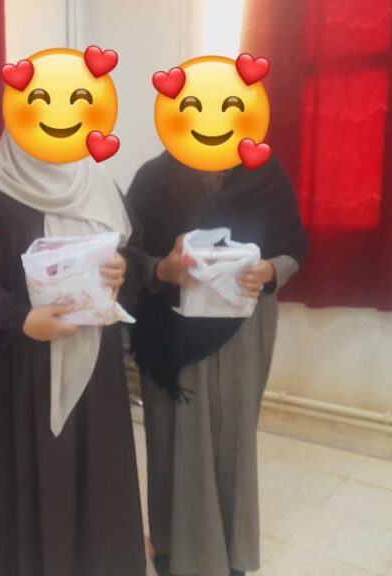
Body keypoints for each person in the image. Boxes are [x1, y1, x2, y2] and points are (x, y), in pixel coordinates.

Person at [0, 132, 160, 576]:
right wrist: (21, 320)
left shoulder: (97, 180)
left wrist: (124, 268)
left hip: (96, 365)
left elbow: (134, 252)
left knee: (96, 474)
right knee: (40, 476)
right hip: (23, 367)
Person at [127, 152, 308, 576]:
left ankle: (232, 554)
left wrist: (269, 270)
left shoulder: (264, 172)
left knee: (233, 441)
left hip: (243, 328)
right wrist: (163, 269)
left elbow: (294, 245)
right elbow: (130, 257)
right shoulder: (153, 179)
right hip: (172, 334)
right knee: (175, 442)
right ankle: (172, 549)